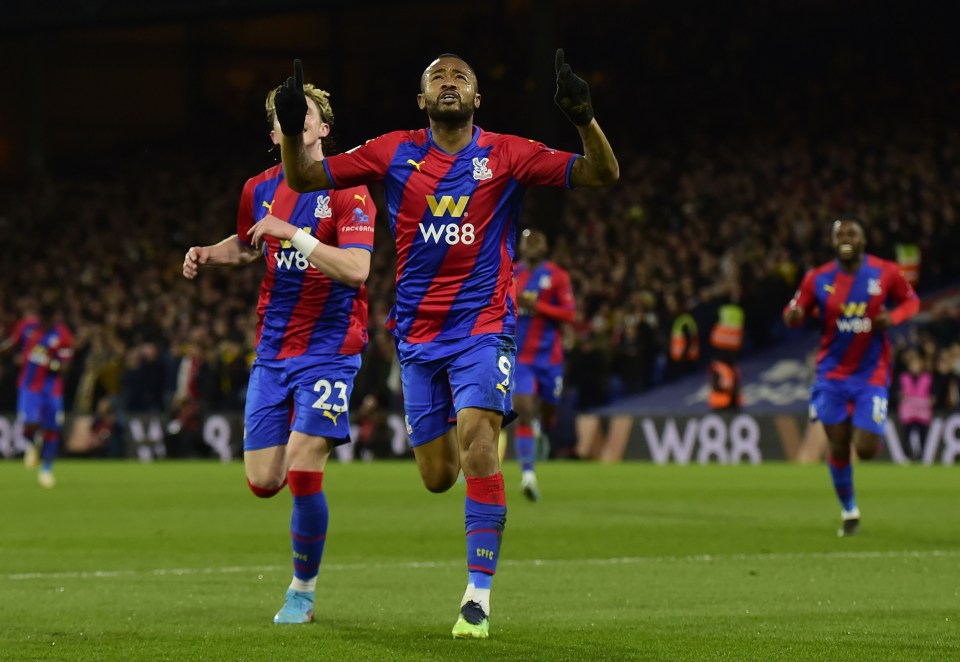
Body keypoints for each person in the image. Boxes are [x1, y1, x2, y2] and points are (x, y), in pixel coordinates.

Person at [273, 50, 619, 638]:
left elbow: (602, 174)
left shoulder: (508, 154)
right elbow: (303, 177)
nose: (450, 83)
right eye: (438, 77)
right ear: (422, 100)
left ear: (478, 99)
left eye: (461, 77)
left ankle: (477, 598)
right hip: (417, 337)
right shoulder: (393, 150)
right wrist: (288, 129)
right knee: (438, 475)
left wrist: (584, 119)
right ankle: (480, 470)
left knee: (480, 441)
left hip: (484, 328)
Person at [182, 81, 375, 624]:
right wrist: (207, 253)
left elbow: (357, 269)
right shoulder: (258, 188)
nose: (294, 122)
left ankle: (302, 591)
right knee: (264, 481)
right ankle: (302, 543)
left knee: (302, 464)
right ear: (276, 133)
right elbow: (248, 246)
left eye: (304, 114)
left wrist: (295, 234)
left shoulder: (349, 189)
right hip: (272, 353)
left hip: (331, 351)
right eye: (284, 117)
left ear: (323, 128)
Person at [784, 217, 919, 536]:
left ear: (863, 240)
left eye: (852, 233)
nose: (846, 237)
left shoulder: (884, 271)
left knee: (867, 448)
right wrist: (793, 316)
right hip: (831, 376)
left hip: (871, 374)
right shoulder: (817, 278)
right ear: (833, 242)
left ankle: (870, 438)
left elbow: (911, 301)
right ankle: (849, 511)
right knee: (839, 446)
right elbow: (793, 311)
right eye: (839, 234)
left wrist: (894, 316)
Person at [511, 228, 575, 500]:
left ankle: (541, 430)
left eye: (538, 240)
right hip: (520, 357)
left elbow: (569, 313)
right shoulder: (512, 273)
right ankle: (528, 475)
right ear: (522, 246)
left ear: (545, 246)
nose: (533, 244)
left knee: (548, 412)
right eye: (528, 240)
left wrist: (537, 307)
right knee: (523, 408)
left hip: (549, 359)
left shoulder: (557, 276)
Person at [0, 301, 74, 488]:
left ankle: (46, 470)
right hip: (29, 387)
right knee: (28, 424)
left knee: (52, 429)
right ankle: (33, 444)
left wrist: (49, 363)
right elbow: (11, 345)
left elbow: (65, 367)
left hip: (52, 389)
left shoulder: (62, 335)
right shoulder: (26, 328)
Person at [897, 351, 932, 461]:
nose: (915, 367)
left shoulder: (927, 378)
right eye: (913, 364)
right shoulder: (903, 377)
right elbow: (897, 392)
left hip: (923, 412)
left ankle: (922, 457)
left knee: (923, 436)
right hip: (908, 412)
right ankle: (906, 457)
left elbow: (933, 393)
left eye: (917, 364)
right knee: (906, 435)